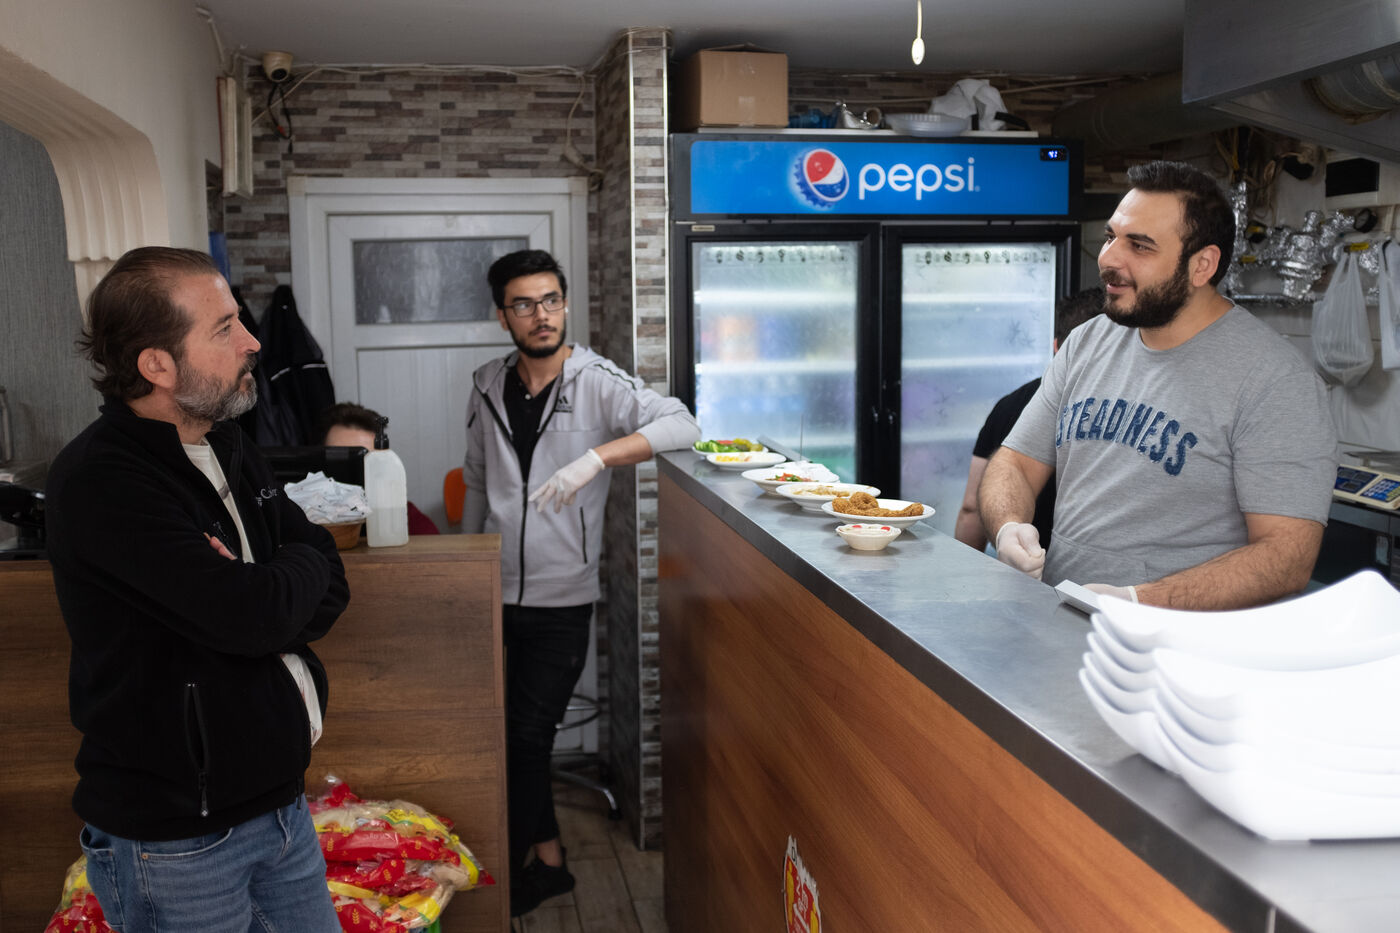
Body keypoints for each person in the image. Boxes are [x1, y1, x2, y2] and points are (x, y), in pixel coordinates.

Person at [45, 247, 349, 933]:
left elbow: (327, 578)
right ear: (157, 365)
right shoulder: (103, 481)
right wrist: (270, 585)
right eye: (224, 328)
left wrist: (272, 579)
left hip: (279, 807)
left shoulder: (228, 443)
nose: (253, 342)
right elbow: (253, 616)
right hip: (179, 839)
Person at [979, 160, 1338, 610]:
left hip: (1178, 644)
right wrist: (1009, 526)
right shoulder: (1087, 342)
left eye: (1140, 246)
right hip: (1060, 620)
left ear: (1202, 265)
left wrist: (1138, 601)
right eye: (1111, 237)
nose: (1108, 259)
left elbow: (1286, 557)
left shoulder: (1275, 381)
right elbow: (1014, 463)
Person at [462, 249, 699, 916]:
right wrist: (464, 564)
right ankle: (547, 859)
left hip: (562, 599)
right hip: (493, 591)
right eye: (524, 304)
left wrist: (596, 458)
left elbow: (683, 424)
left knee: (525, 737)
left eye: (551, 300)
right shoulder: (487, 383)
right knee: (505, 735)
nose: (541, 315)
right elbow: (477, 478)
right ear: (502, 315)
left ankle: (531, 869)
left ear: (565, 304)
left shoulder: (595, 380)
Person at [953, 287, 1104, 551]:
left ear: (1056, 346)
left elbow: (972, 508)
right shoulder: (1114, 410)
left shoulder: (1008, 405)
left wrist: (962, 571)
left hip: (1023, 563)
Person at [317, 400, 441, 535]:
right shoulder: (304, 523)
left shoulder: (409, 521)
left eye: (366, 461)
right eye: (341, 461)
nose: (354, 471)